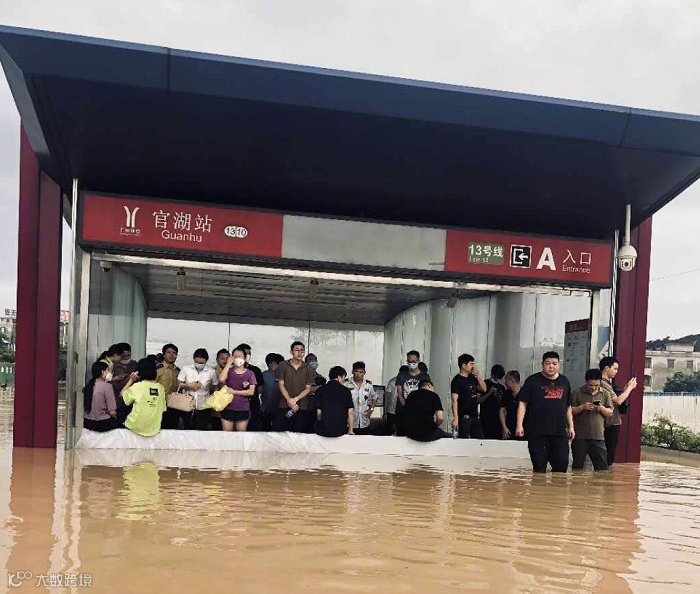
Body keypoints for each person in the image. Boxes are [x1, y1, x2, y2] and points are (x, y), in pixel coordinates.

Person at [516, 352, 575, 473]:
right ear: (542, 364)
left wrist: (571, 426)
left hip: (559, 431)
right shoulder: (532, 381)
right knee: (539, 468)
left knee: (561, 466)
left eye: (554, 363)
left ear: (559, 365)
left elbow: (568, 406)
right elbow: (523, 403)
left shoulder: (564, 381)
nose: (551, 366)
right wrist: (519, 424)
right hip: (537, 431)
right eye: (548, 363)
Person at [571, 368, 613, 471]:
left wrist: (602, 408)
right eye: (591, 385)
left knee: (602, 469)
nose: (593, 388)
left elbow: (610, 412)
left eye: (596, 385)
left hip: (598, 437)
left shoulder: (605, 393)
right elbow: (569, 411)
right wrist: (582, 407)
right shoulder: (577, 392)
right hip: (580, 437)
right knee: (577, 468)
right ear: (586, 381)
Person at [599, 356, 638, 467]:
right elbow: (618, 401)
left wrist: (626, 388)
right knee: (607, 456)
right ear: (607, 368)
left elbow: (617, 397)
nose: (616, 372)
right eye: (615, 369)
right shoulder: (602, 383)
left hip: (612, 422)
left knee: (609, 454)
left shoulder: (608, 383)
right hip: (609, 423)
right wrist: (630, 388)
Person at [275, 341, 316, 432]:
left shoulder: (308, 368)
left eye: (302, 350)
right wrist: (289, 400)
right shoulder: (283, 365)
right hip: (284, 404)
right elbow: (281, 385)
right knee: (282, 433)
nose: (299, 353)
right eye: (296, 350)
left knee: (299, 433)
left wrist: (295, 399)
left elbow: (308, 388)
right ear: (291, 352)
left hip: (302, 406)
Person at [121, 358, 167, 437]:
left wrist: (131, 380)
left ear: (139, 372)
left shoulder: (137, 386)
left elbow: (122, 395)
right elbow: (163, 409)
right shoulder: (160, 388)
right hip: (154, 429)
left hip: (134, 426)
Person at [177, 348, 219, 430]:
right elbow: (179, 384)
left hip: (204, 404)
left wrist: (213, 399)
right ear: (193, 359)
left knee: (202, 428)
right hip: (187, 404)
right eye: (197, 362)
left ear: (206, 361)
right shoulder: (186, 369)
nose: (199, 364)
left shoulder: (211, 371)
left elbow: (215, 386)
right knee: (187, 427)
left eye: (201, 363)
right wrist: (188, 386)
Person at [219, 347, 257, 432]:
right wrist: (228, 364)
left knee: (241, 434)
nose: (237, 358)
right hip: (227, 407)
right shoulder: (229, 371)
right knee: (227, 433)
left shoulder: (250, 373)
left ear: (245, 358)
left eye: (239, 356)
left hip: (243, 408)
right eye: (235, 356)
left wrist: (234, 392)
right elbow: (221, 379)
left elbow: (251, 392)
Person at [450, 353, 487, 439]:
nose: (473, 366)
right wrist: (456, 418)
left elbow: (484, 389)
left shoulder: (472, 378)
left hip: (474, 415)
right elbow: (454, 400)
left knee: (479, 439)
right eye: (471, 364)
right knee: (464, 439)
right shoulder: (457, 380)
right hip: (464, 416)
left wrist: (478, 375)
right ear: (463, 365)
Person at [315, 366, 355, 437]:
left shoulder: (320, 389)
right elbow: (350, 412)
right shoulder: (346, 391)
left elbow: (319, 413)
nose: (344, 381)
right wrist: (350, 430)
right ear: (339, 377)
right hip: (340, 430)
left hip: (323, 430)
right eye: (344, 378)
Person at [83, 361, 122, 432]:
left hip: (87, 421)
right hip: (101, 423)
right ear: (103, 372)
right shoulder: (107, 386)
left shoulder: (88, 386)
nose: (110, 373)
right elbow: (112, 412)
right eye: (108, 371)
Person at [236, 343, 265, 431]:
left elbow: (260, 388)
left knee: (252, 429)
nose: (247, 356)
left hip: (253, 405)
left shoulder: (255, 370)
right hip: (237, 405)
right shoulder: (232, 370)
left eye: (249, 354)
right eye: (245, 353)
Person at [344, 361, 378, 434]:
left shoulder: (368, 385)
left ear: (364, 373)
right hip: (350, 421)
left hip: (364, 420)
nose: (358, 374)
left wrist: (371, 409)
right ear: (352, 372)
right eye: (356, 371)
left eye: (361, 372)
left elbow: (375, 397)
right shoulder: (346, 384)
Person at [482, 364, 506, 439]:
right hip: (485, 417)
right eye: (496, 377)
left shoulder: (502, 387)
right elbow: (478, 400)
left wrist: (497, 395)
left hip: (497, 419)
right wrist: (489, 393)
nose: (497, 379)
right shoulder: (484, 383)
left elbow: (502, 404)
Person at [261, 353, 285, 430]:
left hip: (280, 409)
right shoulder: (262, 376)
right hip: (266, 409)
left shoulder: (282, 376)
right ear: (272, 363)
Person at [383, 365, 406, 435]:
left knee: (402, 431)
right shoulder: (392, 382)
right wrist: (385, 412)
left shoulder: (408, 383)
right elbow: (387, 397)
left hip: (403, 411)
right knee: (390, 431)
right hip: (392, 411)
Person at [499, 370, 522, 439]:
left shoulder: (525, 393)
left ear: (511, 381)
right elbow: (502, 410)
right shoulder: (506, 394)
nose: (505, 383)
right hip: (509, 427)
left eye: (506, 380)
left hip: (523, 428)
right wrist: (504, 427)